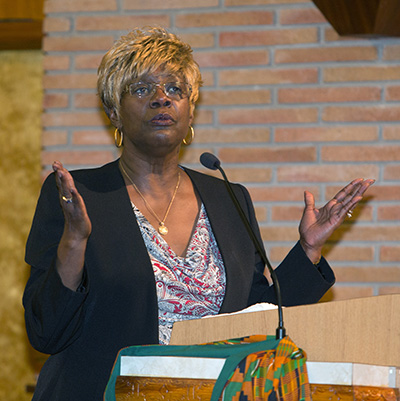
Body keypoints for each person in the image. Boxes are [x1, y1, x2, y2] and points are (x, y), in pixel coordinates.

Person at [23, 26, 374, 401]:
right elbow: (46, 331)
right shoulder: (81, 195)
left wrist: (307, 251)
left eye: (175, 89)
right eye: (142, 89)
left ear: (191, 111)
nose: (162, 99)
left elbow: (259, 318)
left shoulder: (228, 198)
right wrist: (74, 241)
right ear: (114, 111)